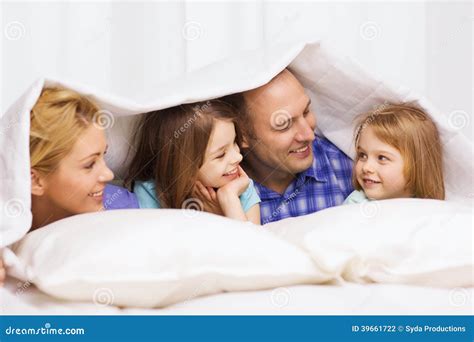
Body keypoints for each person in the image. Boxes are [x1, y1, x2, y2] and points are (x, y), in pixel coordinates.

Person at [0, 87, 139, 285]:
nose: (108, 174)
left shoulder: (122, 208)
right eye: (89, 164)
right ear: (35, 180)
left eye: (103, 156)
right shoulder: (6, 219)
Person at [222, 69, 353, 224]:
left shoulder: (349, 170)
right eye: (284, 125)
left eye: (306, 112)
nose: (309, 135)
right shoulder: (215, 196)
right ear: (241, 135)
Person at [125, 100, 261, 225]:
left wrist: (229, 200)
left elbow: (253, 249)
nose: (238, 157)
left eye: (234, 143)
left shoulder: (241, 187)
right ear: (182, 166)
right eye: (221, 155)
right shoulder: (150, 194)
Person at [344, 103, 445, 203]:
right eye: (362, 155)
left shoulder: (430, 208)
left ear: (417, 165)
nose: (366, 167)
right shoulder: (355, 204)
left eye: (381, 158)